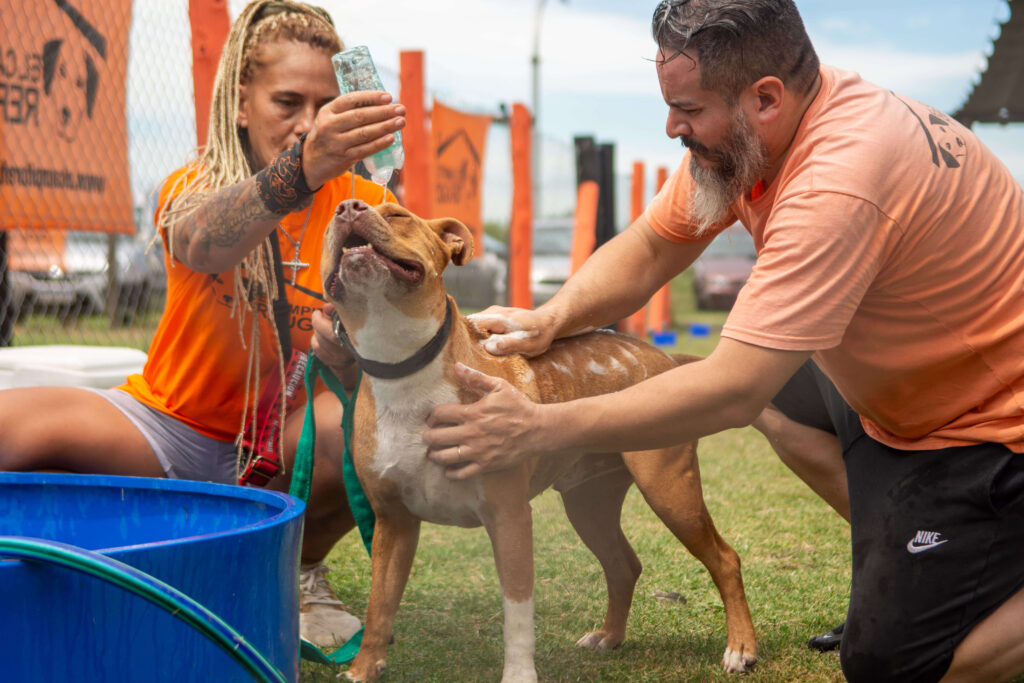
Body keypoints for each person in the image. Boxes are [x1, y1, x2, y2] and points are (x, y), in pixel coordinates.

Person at [420, 1, 1024, 681]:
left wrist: (539, 427)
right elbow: (653, 245)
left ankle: (964, 564)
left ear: (764, 97)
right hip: (906, 390)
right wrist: (554, 317)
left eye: (687, 108)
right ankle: (930, 562)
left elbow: (734, 387)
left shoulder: (839, 178)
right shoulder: (761, 132)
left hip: (990, 428)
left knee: (897, 665)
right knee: (782, 404)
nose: (673, 126)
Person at [0, 0, 406, 649]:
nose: (307, 122)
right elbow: (201, 242)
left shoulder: (369, 206)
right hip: (167, 430)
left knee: (369, 422)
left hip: (288, 441)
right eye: (287, 102)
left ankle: (298, 569)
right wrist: (303, 167)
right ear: (241, 102)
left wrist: (353, 360)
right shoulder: (193, 183)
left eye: (324, 105)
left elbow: (397, 351)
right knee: (11, 426)